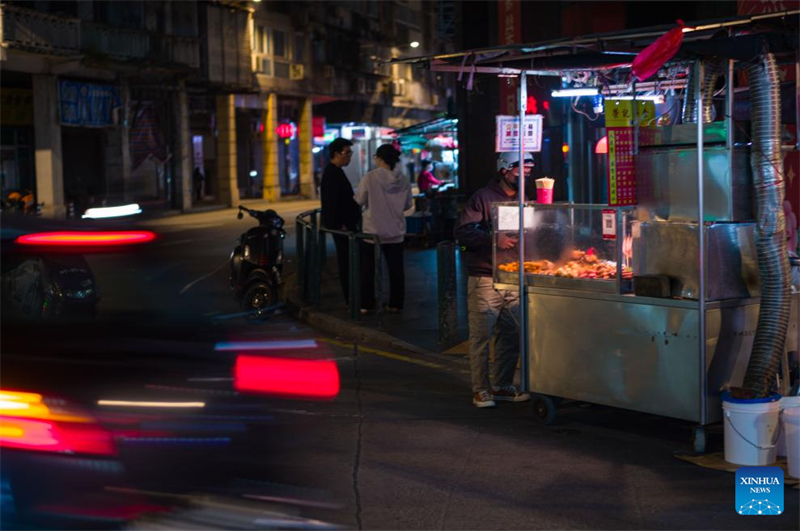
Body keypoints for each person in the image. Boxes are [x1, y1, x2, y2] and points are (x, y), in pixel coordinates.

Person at [454, 151, 534, 408]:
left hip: (513, 275)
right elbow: (463, 232)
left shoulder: (524, 198)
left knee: (511, 335)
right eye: (521, 170)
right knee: (481, 336)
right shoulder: (482, 197)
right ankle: (480, 389)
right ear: (505, 171)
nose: (526, 175)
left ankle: (502, 385)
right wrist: (494, 239)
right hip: (485, 278)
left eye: (529, 171)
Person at [355, 144, 412, 313]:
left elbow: (359, 200)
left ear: (379, 159)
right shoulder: (403, 180)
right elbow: (407, 205)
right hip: (395, 231)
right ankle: (396, 304)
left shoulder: (370, 177)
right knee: (396, 270)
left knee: (368, 270)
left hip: (372, 231)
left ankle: (367, 304)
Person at [320, 138, 360, 305]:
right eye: (347, 153)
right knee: (346, 263)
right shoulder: (332, 173)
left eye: (350, 153)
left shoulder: (336, 171)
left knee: (349, 263)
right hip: (343, 227)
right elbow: (332, 202)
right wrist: (339, 224)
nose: (349, 157)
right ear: (336, 154)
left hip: (345, 225)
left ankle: (352, 299)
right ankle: (351, 301)